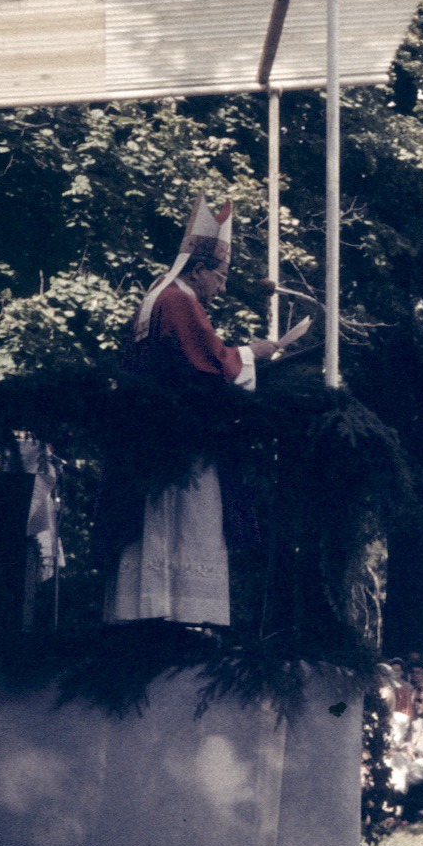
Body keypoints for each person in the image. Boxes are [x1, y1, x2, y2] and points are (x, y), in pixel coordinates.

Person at [102, 196, 278, 626]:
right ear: (197, 268)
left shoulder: (157, 293)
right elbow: (207, 366)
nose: (221, 288)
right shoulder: (180, 301)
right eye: (220, 276)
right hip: (181, 446)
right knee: (187, 525)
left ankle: (152, 610)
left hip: (155, 439)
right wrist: (253, 354)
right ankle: (178, 613)